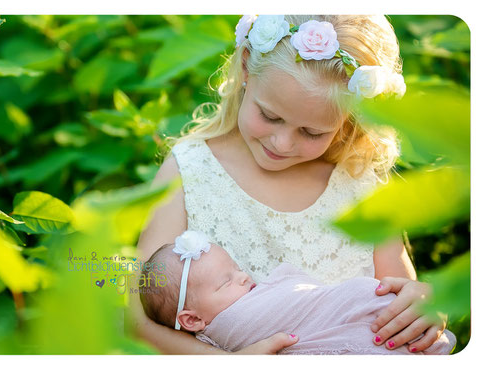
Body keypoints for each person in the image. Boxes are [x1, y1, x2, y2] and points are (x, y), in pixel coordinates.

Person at [132, 15, 447, 354]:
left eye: (312, 132)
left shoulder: (360, 183)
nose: (282, 144)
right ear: (247, 68)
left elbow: (401, 298)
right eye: (270, 116)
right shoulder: (191, 170)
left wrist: (421, 304)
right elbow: (136, 321)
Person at [138, 231, 455, 355]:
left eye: (237, 269)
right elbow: (132, 321)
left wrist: (425, 299)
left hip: (390, 326)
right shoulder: (229, 327)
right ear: (192, 319)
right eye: (226, 283)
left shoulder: (370, 185)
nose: (245, 277)